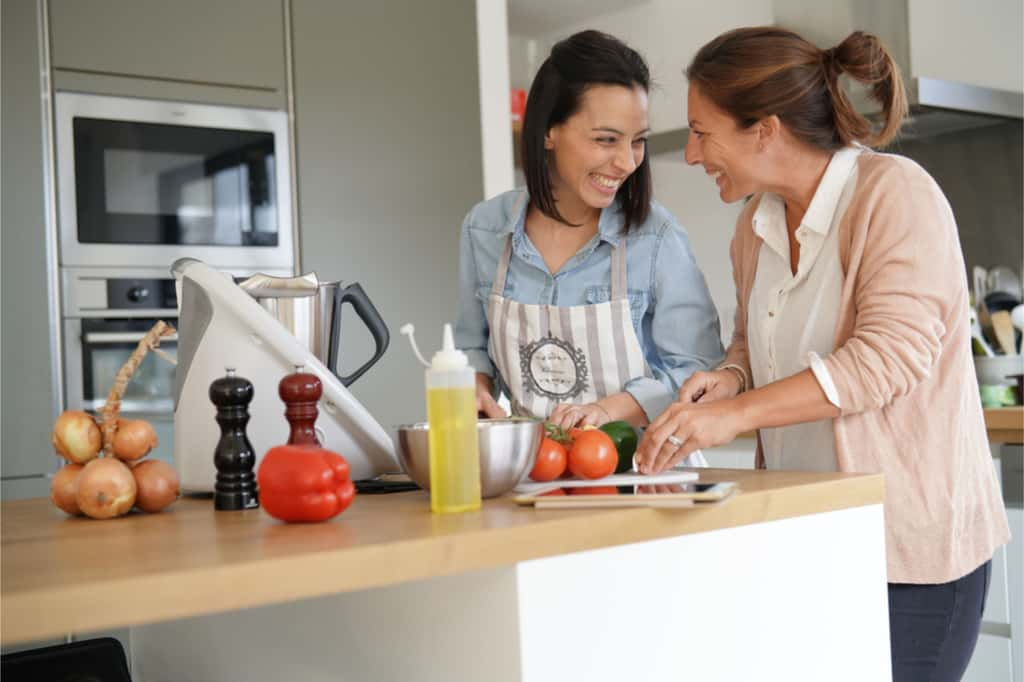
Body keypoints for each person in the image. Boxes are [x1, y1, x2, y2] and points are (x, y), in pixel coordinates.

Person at [634, 26, 1010, 681]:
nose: (691, 155)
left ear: (765, 129)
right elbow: (755, 344)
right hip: (808, 541)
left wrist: (737, 414)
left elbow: (886, 359)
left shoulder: (895, 194)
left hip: (910, 558)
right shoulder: (756, 226)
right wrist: (728, 378)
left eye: (701, 131)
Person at [454, 30, 723, 444]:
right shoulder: (485, 230)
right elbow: (471, 348)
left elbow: (699, 370)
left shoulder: (656, 237)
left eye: (637, 142)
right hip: (537, 475)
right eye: (605, 140)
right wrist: (476, 389)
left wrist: (607, 412)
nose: (626, 162)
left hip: (647, 478)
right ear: (548, 131)